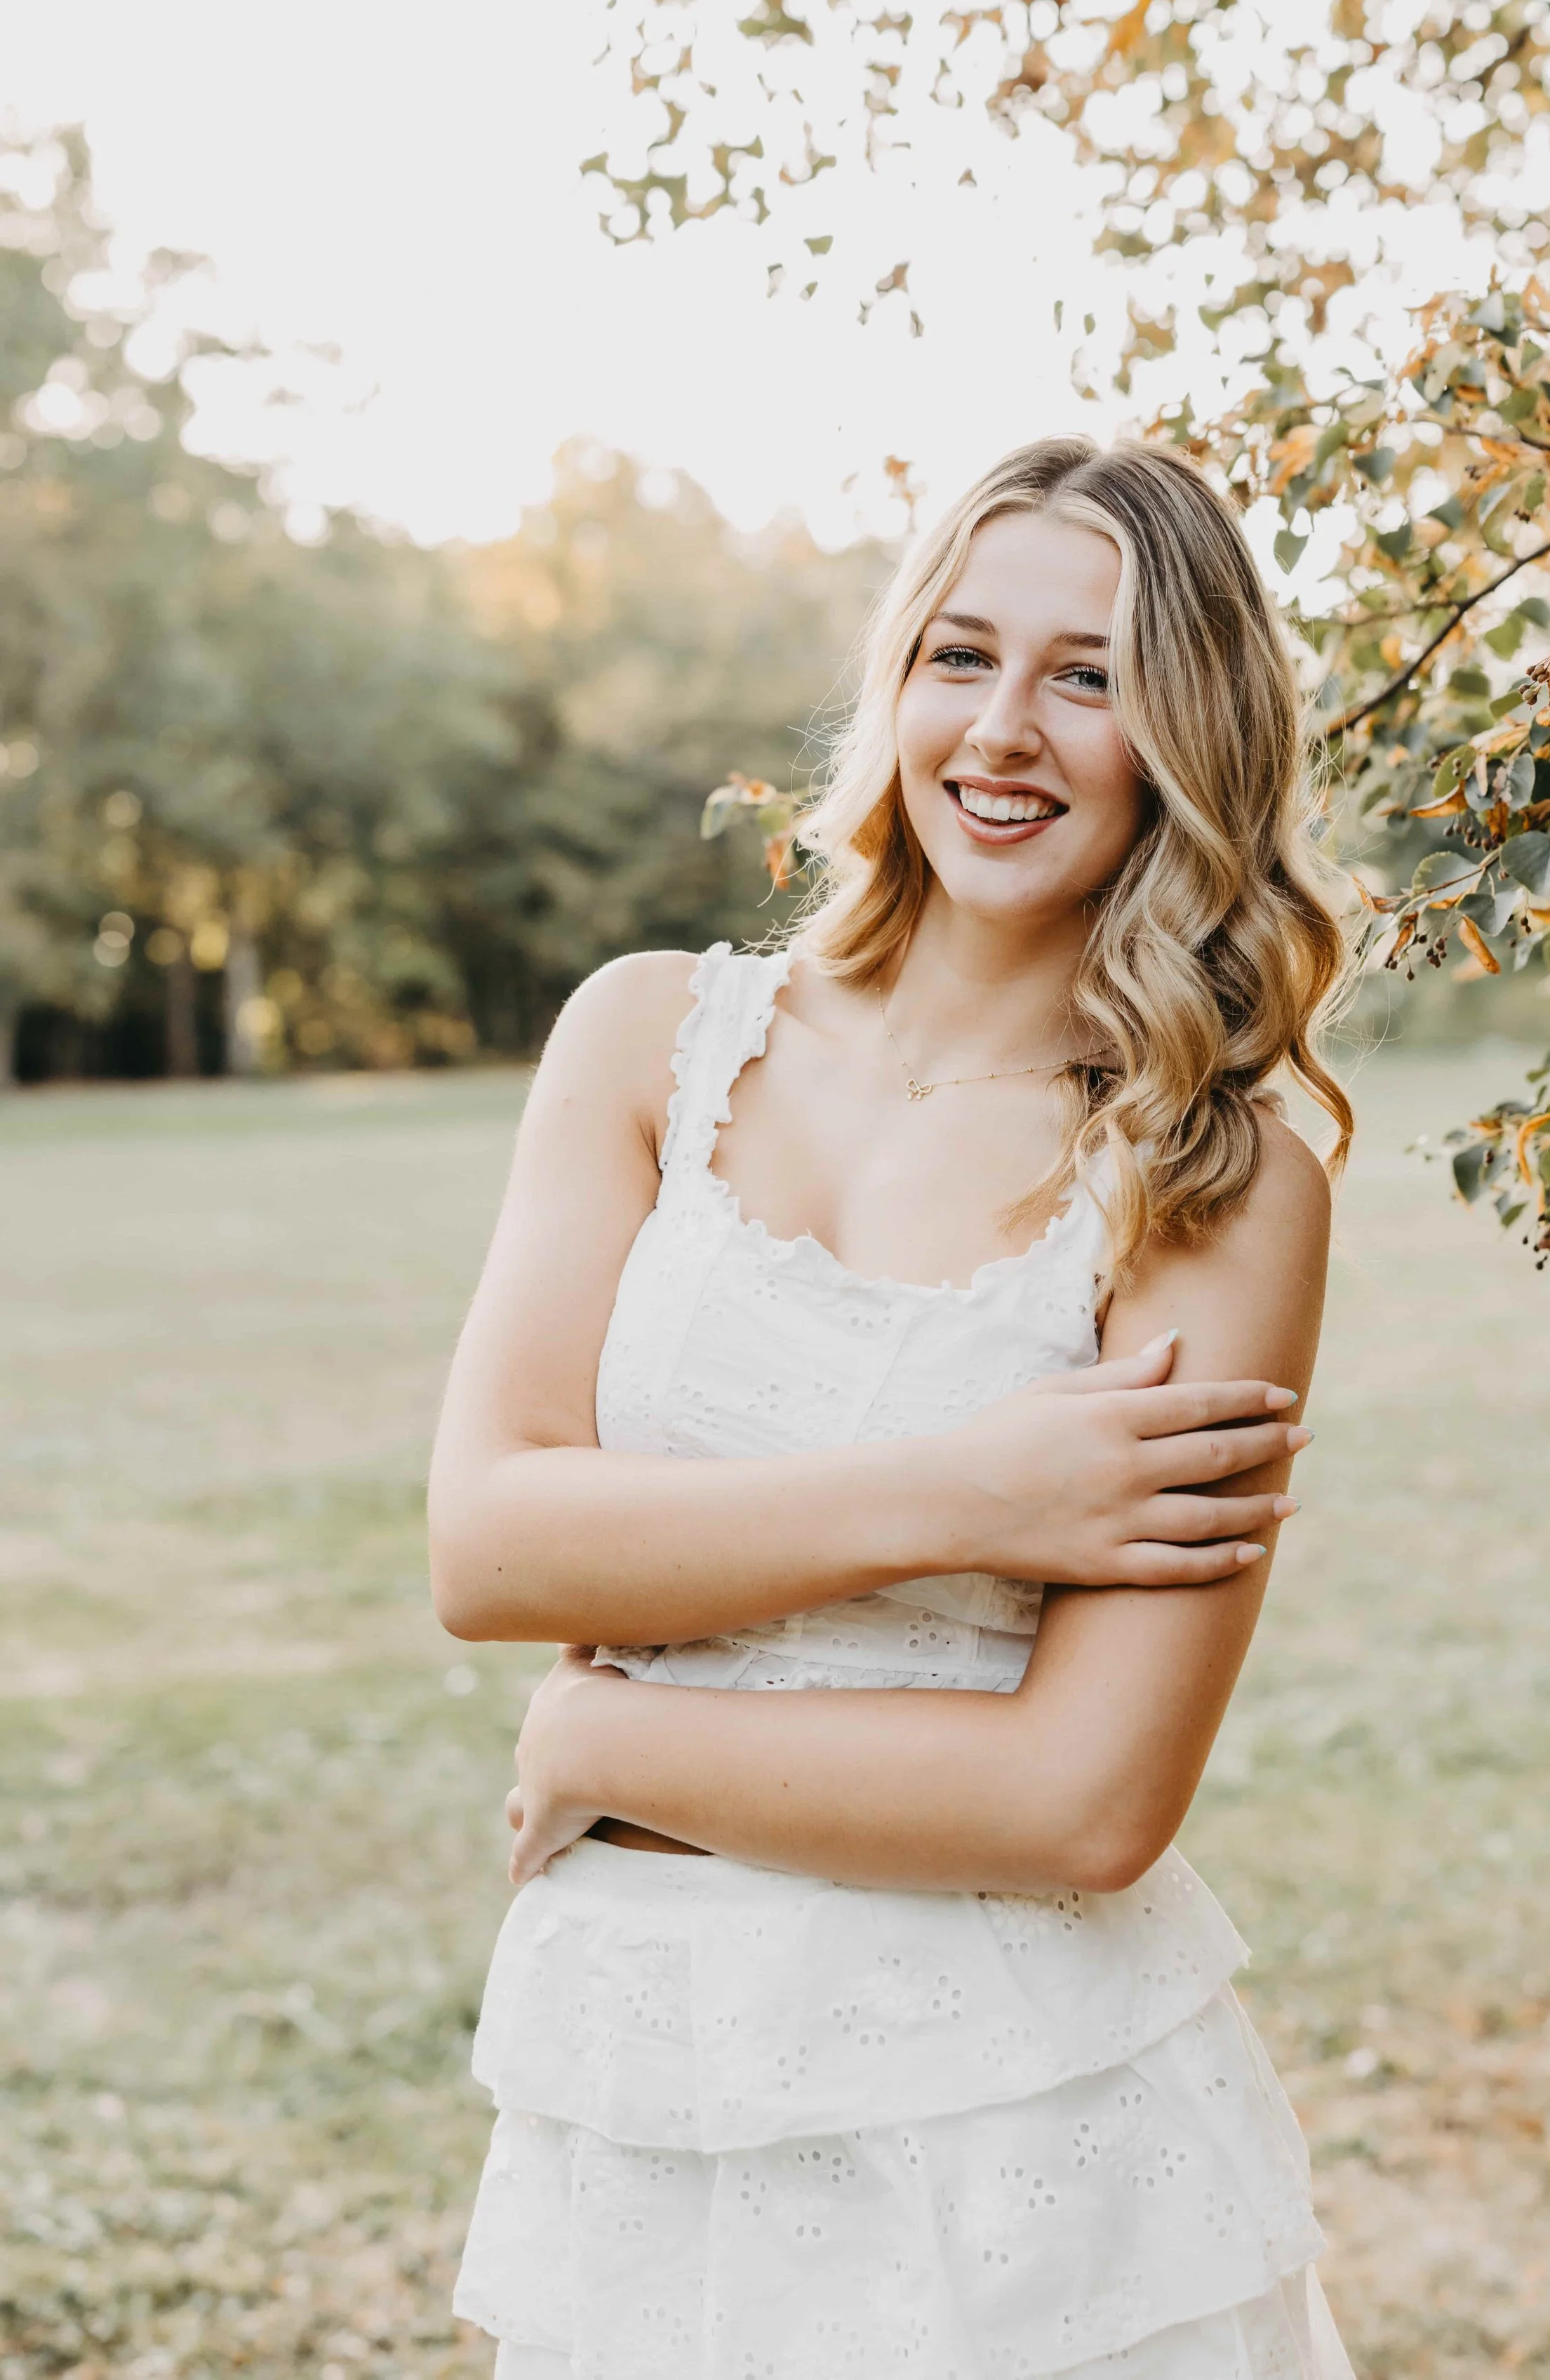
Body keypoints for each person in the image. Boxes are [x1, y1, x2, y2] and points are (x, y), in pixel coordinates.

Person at [429, 435, 1356, 2379]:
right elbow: (493, 1536)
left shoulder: (1212, 1173)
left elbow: (1081, 1801)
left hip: (1017, 2146)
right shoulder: (641, 1037)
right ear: (893, 683)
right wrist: (966, 1491)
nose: (1003, 730)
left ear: (1188, 730)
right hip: (639, 2083)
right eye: (960, 653)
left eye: (1086, 675)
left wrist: (606, 1721)